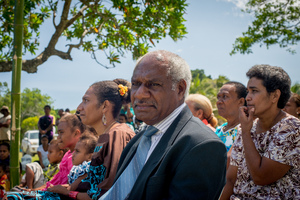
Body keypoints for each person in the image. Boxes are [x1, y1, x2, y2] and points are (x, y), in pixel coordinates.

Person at [101, 50, 227, 200]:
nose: (140, 94)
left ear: (180, 89)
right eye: (136, 84)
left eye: (153, 84)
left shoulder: (202, 145)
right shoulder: (139, 139)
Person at [220, 65, 300, 199]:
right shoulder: (248, 126)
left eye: (254, 91)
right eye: (248, 91)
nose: (248, 98)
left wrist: (246, 133)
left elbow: (260, 177)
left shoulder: (291, 128)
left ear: (275, 96)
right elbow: (230, 180)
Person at [4, 114, 84, 199]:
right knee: (13, 192)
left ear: (76, 133)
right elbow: (51, 183)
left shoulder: (78, 156)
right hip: (49, 193)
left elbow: (69, 186)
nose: (58, 136)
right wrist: (33, 191)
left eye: (61, 132)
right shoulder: (67, 154)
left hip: (58, 196)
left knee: (11, 197)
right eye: (58, 133)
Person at [215, 81, 247, 168]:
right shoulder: (218, 129)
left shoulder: (245, 130)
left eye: (225, 97)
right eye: (218, 97)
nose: (219, 102)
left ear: (241, 102)